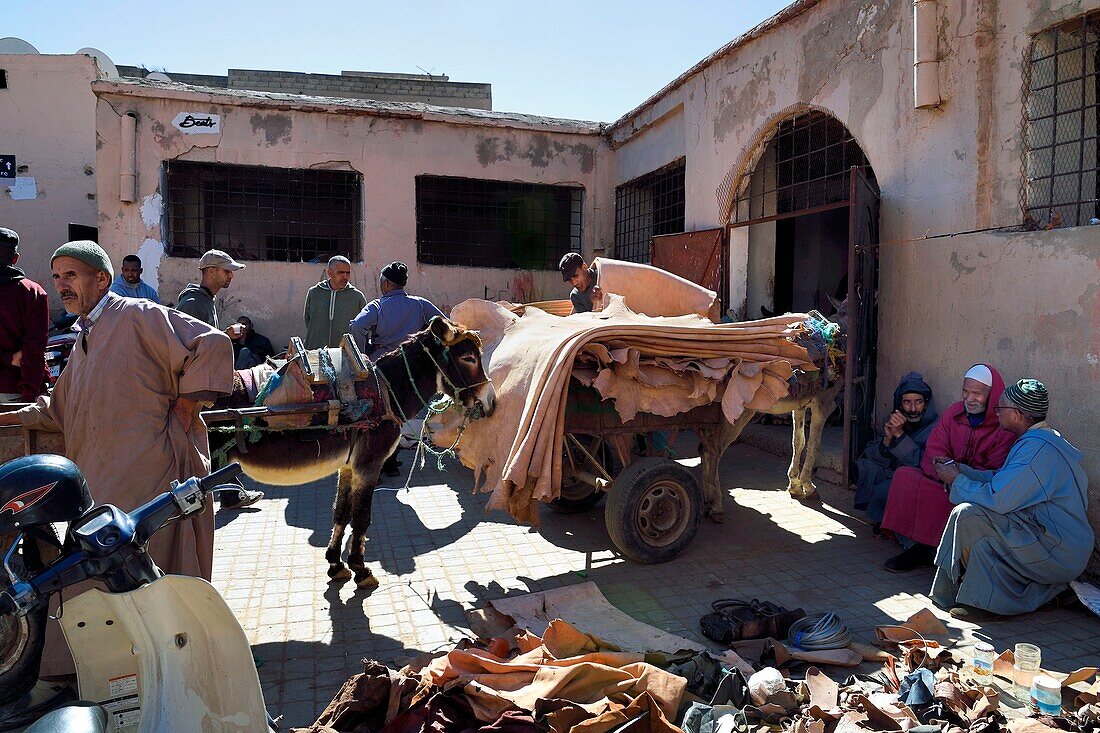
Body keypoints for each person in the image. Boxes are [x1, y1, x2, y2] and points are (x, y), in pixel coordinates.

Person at [0, 240, 234, 676]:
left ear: (101, 279)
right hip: (101, 483)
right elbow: (60, 407)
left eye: (71, 275)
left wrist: (187, 406)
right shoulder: (85, 334)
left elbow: (213, 343)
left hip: (150, 476)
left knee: (151, 583)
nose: (61, 285)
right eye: (56, 277)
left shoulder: (137, 315)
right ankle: (117, 674)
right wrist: (11, 415)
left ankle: (173, 673)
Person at [930, 379, 1093, 621]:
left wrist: (956, 480)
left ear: (1016, 414)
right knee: (976, 525)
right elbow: (1001, 481)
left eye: (1000, 409)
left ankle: (987, 602)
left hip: (1057, 549)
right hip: (1048, 538)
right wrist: (961, 471)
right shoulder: (1038, 441)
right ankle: (986, 595)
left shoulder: (1037, 450)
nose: (995, 414)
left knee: (968, 516)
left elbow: (998, 498)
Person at [879, 364, 1016, 573]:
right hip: (944, 481)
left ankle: (929, 549)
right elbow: (935, 450)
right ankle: (917, 546)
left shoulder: (1002, 426)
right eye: (965, 392)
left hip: (973, 489)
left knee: (951, 500)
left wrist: (958, 479)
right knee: (905, 476)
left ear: (991, 395)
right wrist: (944, 474)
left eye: (977, 394)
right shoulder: (954, 413)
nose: (969, 398)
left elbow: (995, 471)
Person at [175, 249, 264, 510]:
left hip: (204, 384)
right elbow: (185, 343)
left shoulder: (205, 300)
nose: (230, 277)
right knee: (213, 440)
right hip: (195, 387)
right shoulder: (193, 303)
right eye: (227, 271)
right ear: (210, 271)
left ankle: (230, 493)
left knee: (216, 440)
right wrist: (224, 335)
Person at [349, 261, 443, 476]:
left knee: (377, 416)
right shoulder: (420, 304)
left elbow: (357, 326)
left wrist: (363, 352)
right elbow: (443, 323)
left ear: (386, 283)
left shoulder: (377, 306)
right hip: (412, 368)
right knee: (398, 414)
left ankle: (376, 464)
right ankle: (391, 462)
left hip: (382, 366)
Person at [853, 372, 937, 526]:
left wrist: (900, 434)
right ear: (900, 404)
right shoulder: (893, 420)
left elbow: (923, 463)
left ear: (926, 403)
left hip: (915, 478)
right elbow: (872, 453)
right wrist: (887, 439)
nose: (912, 408)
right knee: (866, 465)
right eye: (907, 402)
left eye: (918, 402)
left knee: (889, 486)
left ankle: (892, 523)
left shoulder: (935, 428)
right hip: (891, 471)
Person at [0, 227, 49, 402]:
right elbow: (34, 349)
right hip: (15, 391)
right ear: (15, 259)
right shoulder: (33, 292)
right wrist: (28, 396)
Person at [303, 255, 366, 349]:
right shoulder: (314, 293)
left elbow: (364, 325)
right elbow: (307, 318)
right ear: (329, 272)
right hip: (315, 350)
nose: (345, 277)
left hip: (345, 354)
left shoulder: (357, 297)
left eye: (347, 273)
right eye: (340, 272)